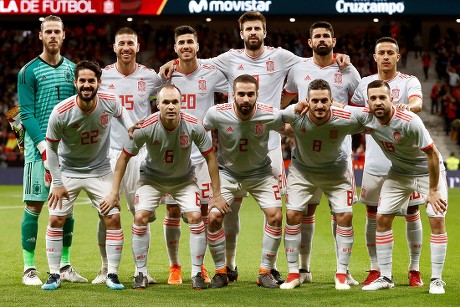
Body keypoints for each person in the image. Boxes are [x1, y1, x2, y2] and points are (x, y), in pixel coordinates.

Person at [161, 11, 350, 283]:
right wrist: (174, 60)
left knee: (273, 212)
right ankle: (228, 265)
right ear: (241, 33)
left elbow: (314, 62)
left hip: (270, 147)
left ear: (265, 32)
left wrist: (338, 57)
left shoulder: (282, 56)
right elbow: (195, 62)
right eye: (248, 28)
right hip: (234, 153)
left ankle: (268, 267)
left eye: (257, 28)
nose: (252, 32)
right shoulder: (228, 59)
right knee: (228, 212)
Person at [102, 84, 225, 290]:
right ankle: (140, 272)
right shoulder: (146, 127)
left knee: (195, 217)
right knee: (140, 217)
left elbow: (210, 157)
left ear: (181, 104)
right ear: (157, 104)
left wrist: (217, 194)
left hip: (184, 180)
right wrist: (114, 192)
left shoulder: (194, 125)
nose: (170, 106)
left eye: (174, 102)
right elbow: (124, 158)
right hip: (151, 179)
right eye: (165, 102)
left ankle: (195, 272)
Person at [281, 21, 361, 285]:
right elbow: (284, 101)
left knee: (340, 214)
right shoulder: (298, 69)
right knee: (306, 211)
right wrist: (286, 124)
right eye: (317, 36)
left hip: (339, 153)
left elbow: (360, 108)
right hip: (305, 153)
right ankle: (303, 269)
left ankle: (343, 270)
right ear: (310, 41)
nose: (322, 39)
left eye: (327, 35)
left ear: (334, 41)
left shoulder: (348, 70)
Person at [42, 60, 133, 290]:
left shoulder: (109, 101)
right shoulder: (61, 112)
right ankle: (54, 274)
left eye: (91, 81)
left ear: (98, 83)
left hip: (100, 170)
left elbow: (123, 114)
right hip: (68, 171)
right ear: (75, 83)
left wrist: (131, 127)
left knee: (112, 217)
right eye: (82, 80)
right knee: (55, 219)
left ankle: (112, 274)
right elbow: (51, 149)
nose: (86, 85)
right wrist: (57, 181)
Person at [14, 15, 85, 286]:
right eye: (49, 32)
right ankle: (29, 268)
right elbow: (27, 113)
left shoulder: (73, 70)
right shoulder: (28, 71)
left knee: (66, 209)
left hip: (67, 151)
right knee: (34, 205)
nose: (53, 36)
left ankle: (64, 265)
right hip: (37, 150)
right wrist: (44, 150)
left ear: (64, 36)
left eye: (58, 32)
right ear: (41, 36)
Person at [359, 80, 448, 295]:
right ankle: (386, 277)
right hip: (399, 173)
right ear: (367, 102)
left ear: (392, 99)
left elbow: (433, 154)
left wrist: (433, 190)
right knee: (381, 218)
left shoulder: (410, 121)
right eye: (373, 98)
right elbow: (342, 112)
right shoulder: (367, 119)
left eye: (382, 97)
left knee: (436, 218)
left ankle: (436, 280)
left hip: (427, 172)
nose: (378, 102)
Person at [351, 37, 425, 287]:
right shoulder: (365, 84)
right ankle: (375, 269)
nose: (385, 56)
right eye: (380, 52)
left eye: (390, 52)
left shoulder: (408, 82)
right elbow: (354, 113)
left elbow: (418, 102)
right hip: (374, 163)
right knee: (372, 215)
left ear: (397, 57)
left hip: (405, 164)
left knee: (412, 213)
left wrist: (407, 107)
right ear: (374, 57)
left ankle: (414, 269)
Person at [92, 26, 162, 285]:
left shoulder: (151, 77)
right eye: (121, 43)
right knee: (106, 213)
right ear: (114, 47)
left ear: (138, 47)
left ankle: (141, 270)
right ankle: (104, 268)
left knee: (141, 213)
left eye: (130, 43)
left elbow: (168, 92)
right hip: (107, 153)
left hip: (140, 154)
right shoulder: (102, 77)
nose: (126, 48)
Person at [203, 74, 286, 288]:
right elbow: (198, 132)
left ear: (258, 94)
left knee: (276, 216)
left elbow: (290, 128)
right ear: (233, 95)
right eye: (241, 94)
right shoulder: (216, 114)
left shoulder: (270, 115)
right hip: (228, 174)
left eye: (250, 94)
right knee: (212, 218)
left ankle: (265, 272)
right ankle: (221, 272)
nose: (246, 99)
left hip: (260, 174)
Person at [161, 25, 228, 285]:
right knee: (173, 212)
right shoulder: (165, 76)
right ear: (175, 48)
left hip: (202, 155)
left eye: (190, 41)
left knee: (200, 213)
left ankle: (199, 268)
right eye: (181, 43)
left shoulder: (211, 74)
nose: (186, 46)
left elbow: (238, 83)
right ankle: (174, 266)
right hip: (173, 156)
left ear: (197, 46)